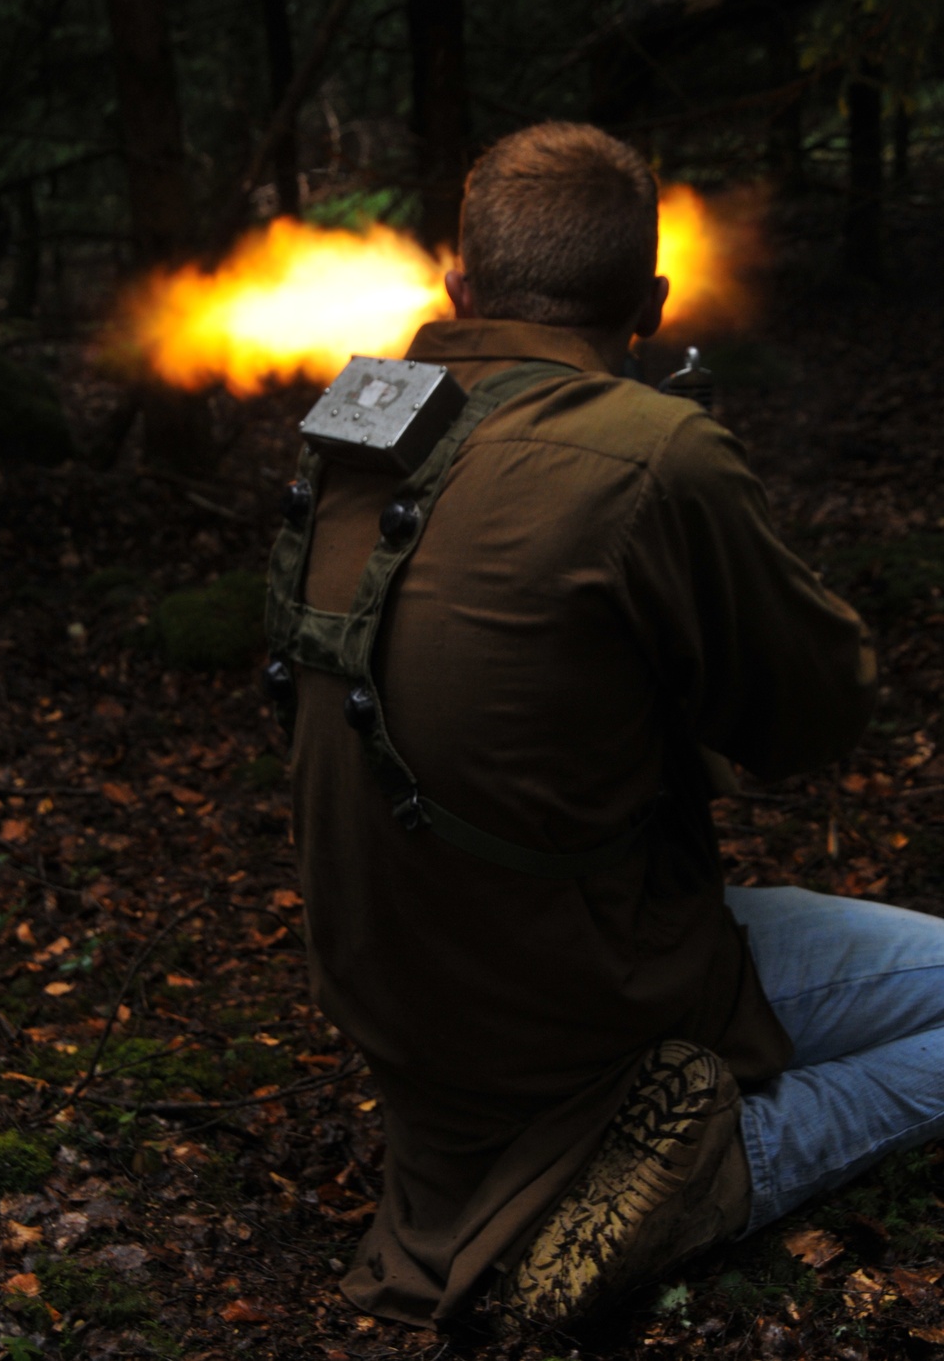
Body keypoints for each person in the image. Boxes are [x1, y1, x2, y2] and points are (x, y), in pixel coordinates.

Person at [267, 122, 944, 1335]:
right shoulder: (651, 451)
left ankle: (506, 1174)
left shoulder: (354, 427)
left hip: (402, 998)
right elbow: (815, 712)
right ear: (650, 298)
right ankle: (707, 1172)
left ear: (456, 286)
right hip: (580, 994)